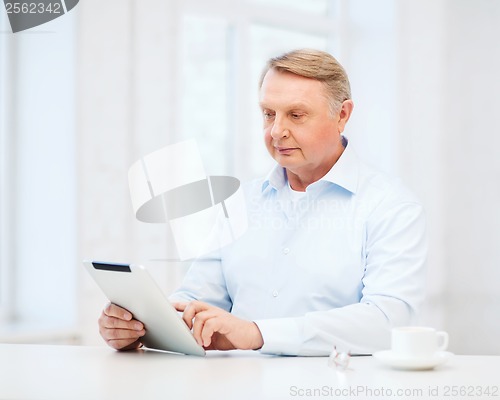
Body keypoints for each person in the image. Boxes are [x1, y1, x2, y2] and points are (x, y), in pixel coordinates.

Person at [98, 49, 427, 356]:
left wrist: (257, 333)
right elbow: (197, 299)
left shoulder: (390, 207)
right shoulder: (242, 202)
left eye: (296, 115)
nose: (276, 131)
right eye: (269, 114)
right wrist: (142, 326)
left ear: (342, 115)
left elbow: (388, 323)